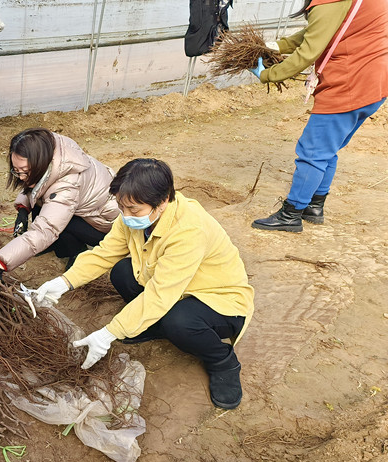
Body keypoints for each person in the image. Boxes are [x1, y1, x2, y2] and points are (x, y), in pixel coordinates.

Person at [34, 159, 254, 409]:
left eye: (134, 210)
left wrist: (108, 333)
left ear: (162, 202)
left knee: (179, 322)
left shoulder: (189, 230)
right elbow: (105, 253)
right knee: (122, 272)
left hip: (217, 300)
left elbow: (160, 295)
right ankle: (154, 325)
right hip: (175, 287)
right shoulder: (134, 214)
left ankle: (222, 362)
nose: (126, 216)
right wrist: (64, 282)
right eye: (121, 207)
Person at [250, 0, 388, 232]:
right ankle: (314, 205)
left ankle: (291, 214)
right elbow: (322, 29)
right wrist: (280, 46)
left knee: (312, 151)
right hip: (375, 82)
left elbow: (308, 52)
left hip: (350, 85)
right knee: (326, 149)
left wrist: (267, 75)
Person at [0, 128, 119, 280]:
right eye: (16, 171)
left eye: (24, 171)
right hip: (84, 208)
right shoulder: (50, 149)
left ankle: (77, 253)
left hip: (104, 224)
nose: (21, 177)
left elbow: (46, 229)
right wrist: (23, 209)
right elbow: (38, 187)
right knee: (43, 203)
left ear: (40, 163)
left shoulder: (68, 184)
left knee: (61, 221)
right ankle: (53, 245)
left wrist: (0, 264)